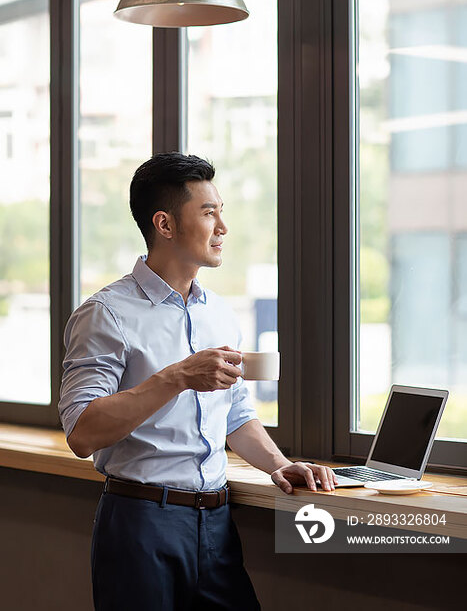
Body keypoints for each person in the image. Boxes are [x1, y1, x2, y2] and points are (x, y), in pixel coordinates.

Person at [59, 152, 337, 611]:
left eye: (221, 211)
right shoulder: (105, 314)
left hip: (218, 525)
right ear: (165, 225)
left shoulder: (220, 313)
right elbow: (82, 432)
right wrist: (178, 376)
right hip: (140, 523)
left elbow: (236, 411)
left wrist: (276, 464)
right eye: (209, 213)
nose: (223, 227)